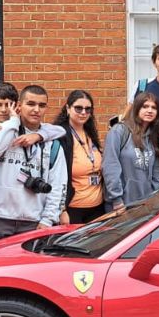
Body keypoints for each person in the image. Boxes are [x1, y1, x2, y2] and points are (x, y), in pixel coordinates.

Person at [0, 85, 67, 242]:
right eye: (31, 104)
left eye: (42, 105)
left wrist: (48, 219)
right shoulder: (0, 130)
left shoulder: (52, 144)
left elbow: (58, 184)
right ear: (19, 106)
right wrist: (13, 121)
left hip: (33, 220)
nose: (36, 110)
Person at [102, 92, 159, 212]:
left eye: (154, 107)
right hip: (121, 204)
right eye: (145, 106)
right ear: (136, 108)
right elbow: (110, 165)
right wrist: (116, 198)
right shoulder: (119, 131)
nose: (150, 110)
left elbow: (158, 173)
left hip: (146, 205)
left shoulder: (153, 136)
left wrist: (155, 198)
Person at [54, 91, 106, 225]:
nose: (83, 112)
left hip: (97, 207)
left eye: (88, 109)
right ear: (68, 108)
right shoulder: (61, 135)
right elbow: (56, 176)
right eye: (78, 108)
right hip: (73, 209)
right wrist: (62, 210)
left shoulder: (89, 132)